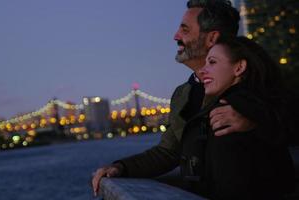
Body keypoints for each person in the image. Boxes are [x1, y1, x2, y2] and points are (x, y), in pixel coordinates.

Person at [92, 0, 260, 196]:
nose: (175, 36)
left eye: (185, 30)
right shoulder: (183, 94)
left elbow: (286, 120)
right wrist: (121, 167)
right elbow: (168, 152)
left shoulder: (253, 85)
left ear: (211, 38)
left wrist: (255, 118)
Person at [190, 36, 295, 199]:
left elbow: (230, 188)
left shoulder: (227, 113)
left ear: (239, 68)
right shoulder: (261, 107)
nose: (202, 71)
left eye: (212, 62)